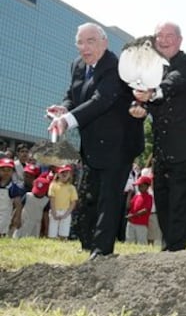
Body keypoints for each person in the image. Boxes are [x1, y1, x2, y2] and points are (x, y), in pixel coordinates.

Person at [46, 22, 144, 258]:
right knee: (89, 196)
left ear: (104, 42)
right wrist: (64, 109)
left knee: (109, 199)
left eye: (91, 41)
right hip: (92, 145)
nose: (84, 47)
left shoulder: (116, 66)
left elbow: (102, 99)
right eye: (80, 42)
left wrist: (68, 120)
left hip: (119, 144)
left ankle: (101, 253)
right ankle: (88, 245)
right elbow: (72, 95)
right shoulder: (77, 65)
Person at [131, 22, 186, 252]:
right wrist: (139, 107)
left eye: (169, 36)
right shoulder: (153, 70)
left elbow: (175, 82)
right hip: (163, 152)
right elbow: (144, 96)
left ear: (179, 40)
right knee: (163, 203)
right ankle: (170, 249)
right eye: (159, 36)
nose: (163, 40)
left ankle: (174, 252)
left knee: (179, 205)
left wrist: (154, 92)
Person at [48, 165, 78, 240]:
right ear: (58, 174)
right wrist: (54, 213)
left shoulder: (71, 187)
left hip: (66, 211)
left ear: (70, 174)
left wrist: (66, 214)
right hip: (55, 210)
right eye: (62, 172)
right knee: (52, 234)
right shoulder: (53, 185)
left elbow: (73, 202)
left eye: (67, 172)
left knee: (63, 235)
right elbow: (52, 199)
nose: (64, 174)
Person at [125, 175, 153, 245]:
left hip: (141, 223)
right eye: (138, 186)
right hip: (131, 222)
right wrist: (129, 194)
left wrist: (133, 215)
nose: (139, 188)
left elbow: (145, 210)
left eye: (141, 186)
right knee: (129, 240)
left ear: (147, 187)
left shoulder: (149, 197)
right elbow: (128, 206)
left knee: (142, 242)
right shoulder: (137, 196)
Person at [0, 158, 24, 237]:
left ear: (13, 172)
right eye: (3, 170)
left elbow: (18, 204)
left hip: (4, 215)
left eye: (9, 170)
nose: (6, 173)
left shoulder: (13, 188)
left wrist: (17, 217)